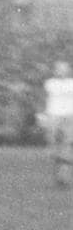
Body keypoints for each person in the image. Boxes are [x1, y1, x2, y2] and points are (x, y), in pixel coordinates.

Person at [40, 60, 73, 188]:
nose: (62, 71)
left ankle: (63, 176)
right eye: (59, 69)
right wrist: (42, 116)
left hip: (69, 117)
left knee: (67, 145)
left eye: (64, 68)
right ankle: (59, 173)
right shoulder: (50, 83)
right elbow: (43, 99)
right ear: (55, 70)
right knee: (53, 147)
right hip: (53, 116)